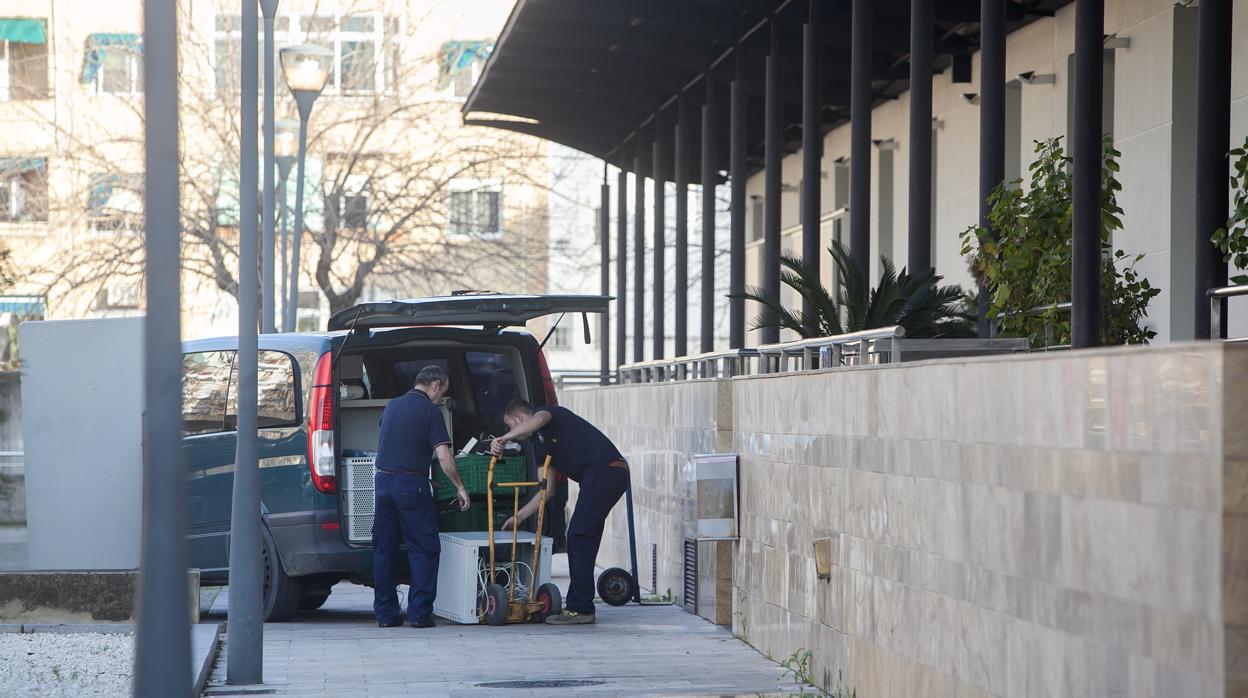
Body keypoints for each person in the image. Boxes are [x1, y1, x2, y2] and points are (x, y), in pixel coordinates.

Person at [491, 399, 629, 625]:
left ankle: (581, 608)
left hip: (606, 471)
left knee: (578, 536)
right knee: (581, 536)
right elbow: (547, 489)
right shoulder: (539, 446)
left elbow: (538, 420)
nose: (510, 431)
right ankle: (580, 605)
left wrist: (505, 439)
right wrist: (518, 518)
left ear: (519, 419)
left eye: (510, 426)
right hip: (600, 477)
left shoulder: (546, 414)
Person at [372, 365, 469, 628]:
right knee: (424, 549)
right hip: (411, 486)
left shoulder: (392, 405)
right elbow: (444, 455)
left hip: (382, 483)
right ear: (435, 385)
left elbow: (398, 444)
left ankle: (386, 615)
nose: (440, 398)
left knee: (384, 551)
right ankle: (419, 614)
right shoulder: (430, 411)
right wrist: (459, 486)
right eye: (442, 392)